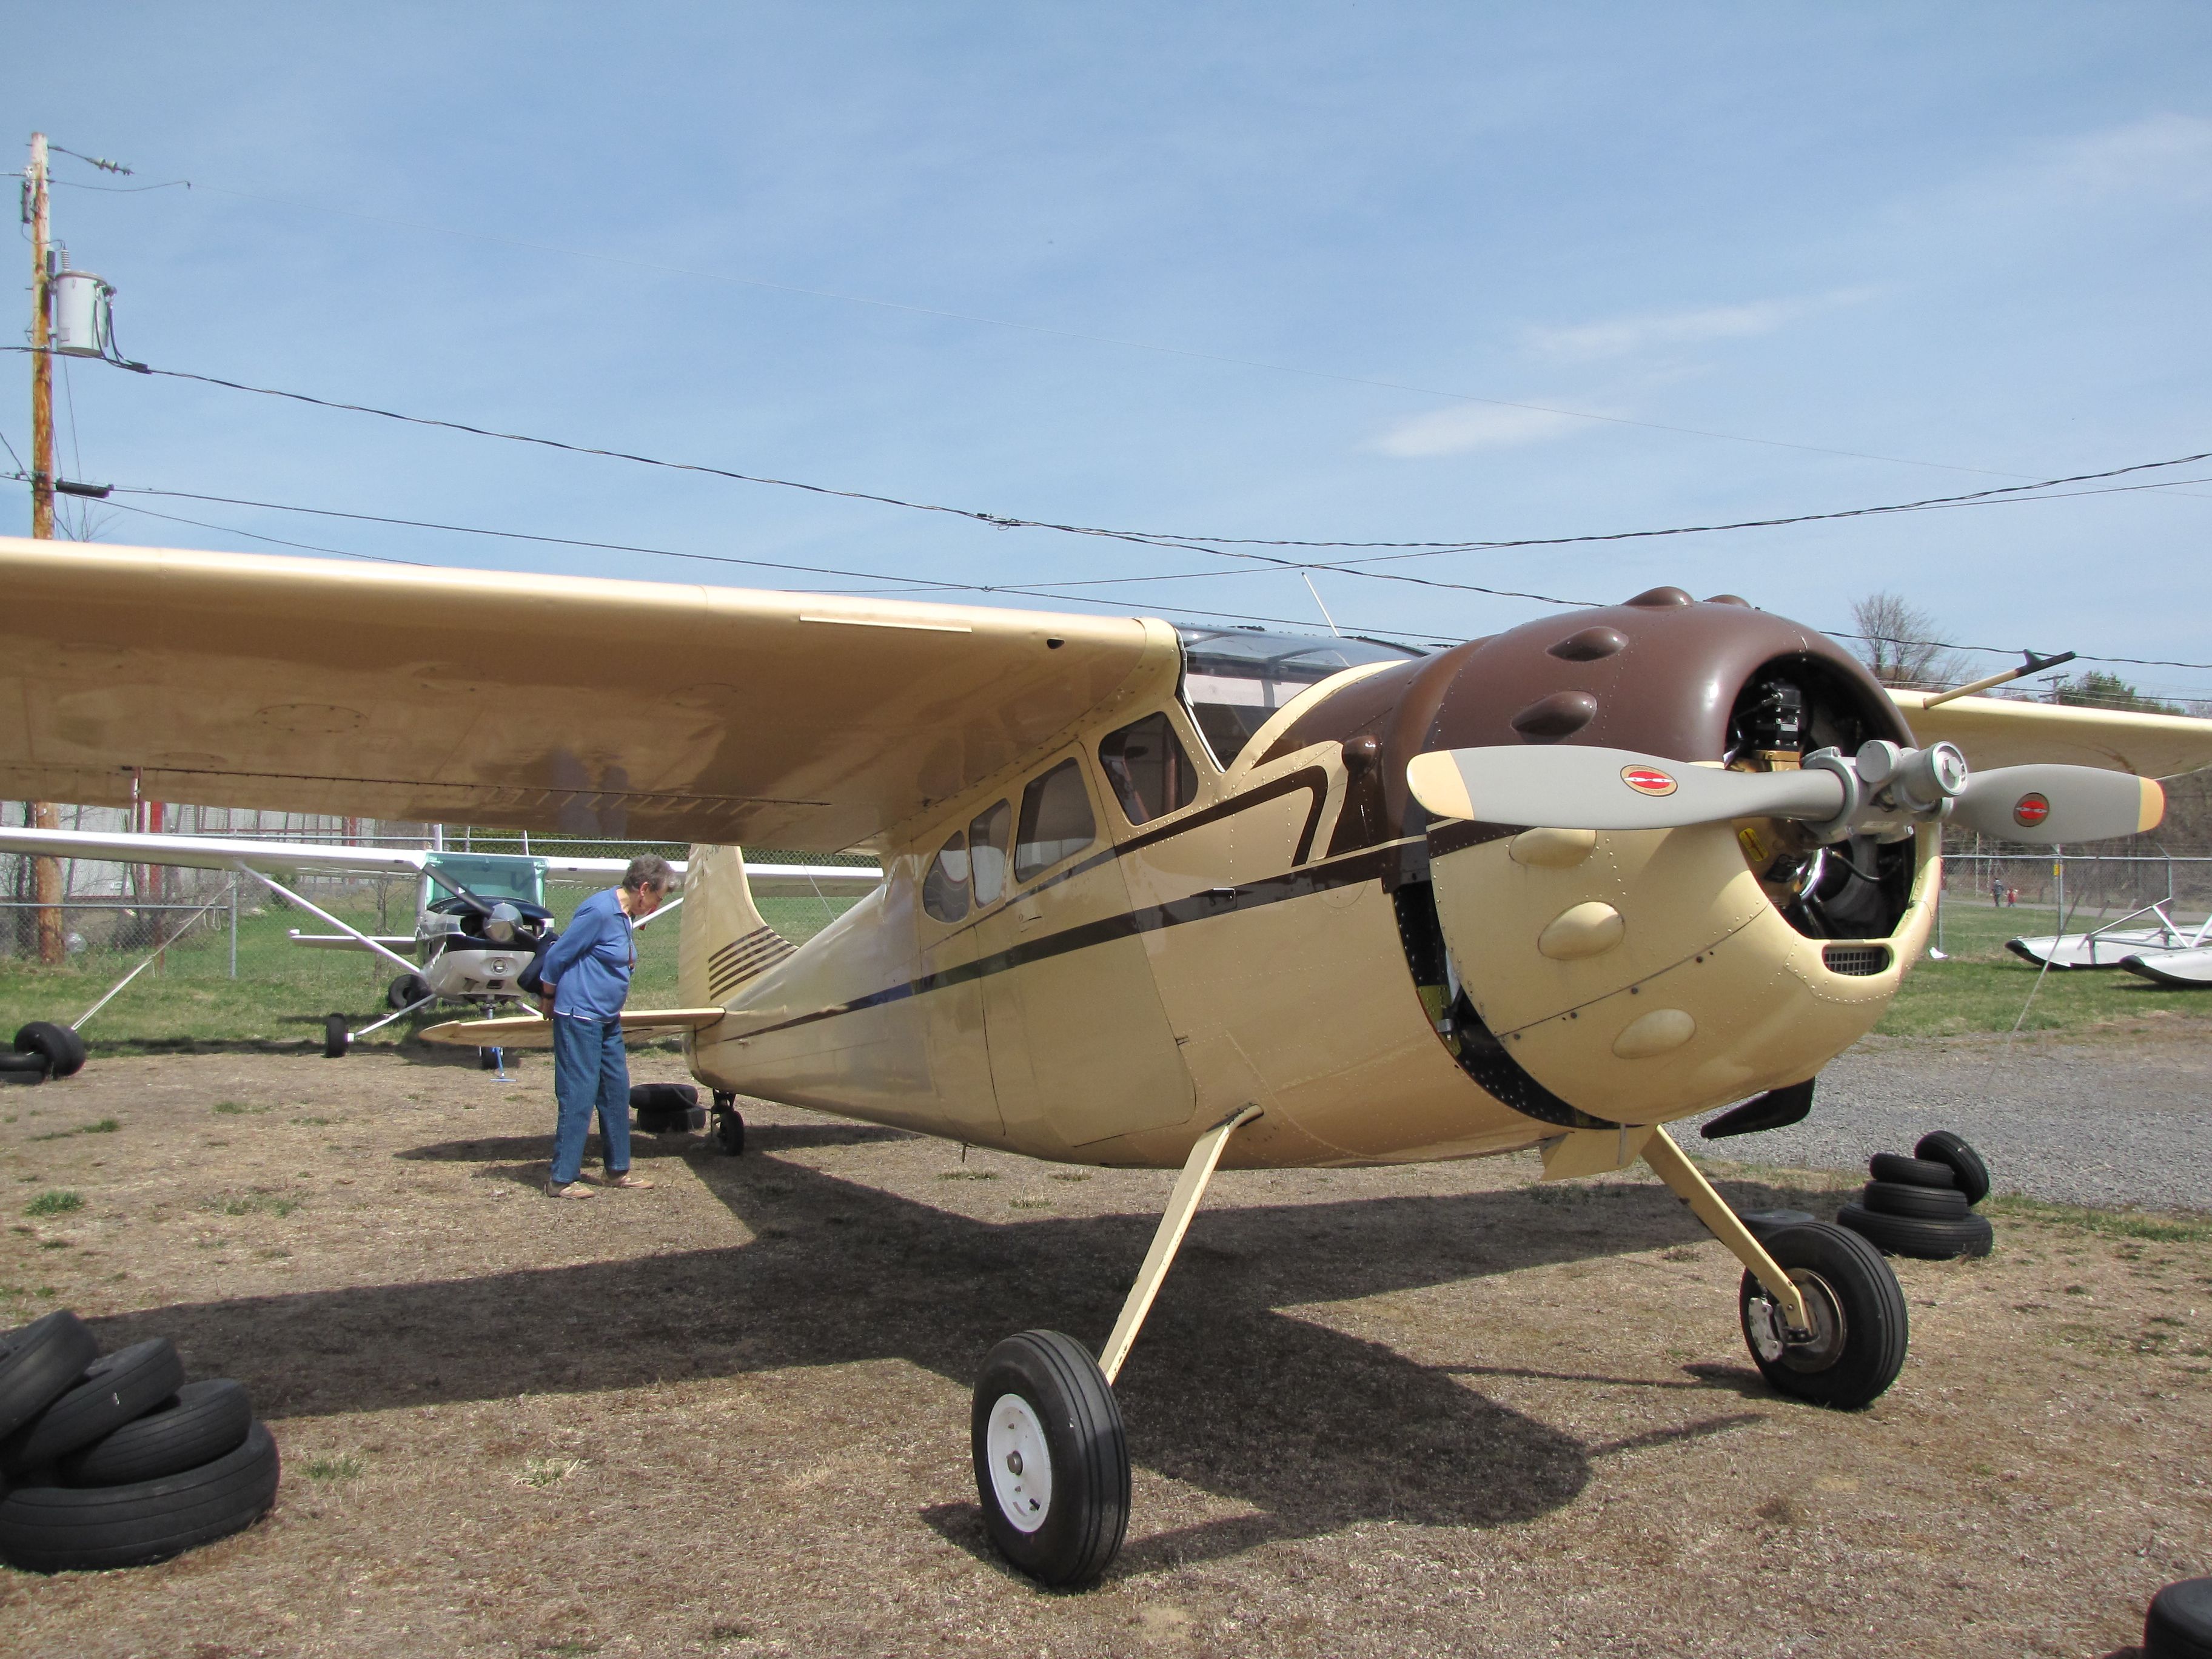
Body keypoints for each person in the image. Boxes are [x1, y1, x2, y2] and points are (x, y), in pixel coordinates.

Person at [536, 853, 677, 1199]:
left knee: (616, 1093)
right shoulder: (599, 912)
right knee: (579, 1094)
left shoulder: (625, 915)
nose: (658, 905)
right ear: (644, 889)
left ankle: (617, 1171)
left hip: (607, 1020)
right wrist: (549, 997)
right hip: (579, 1017)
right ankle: (561, 1179)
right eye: (658, 897)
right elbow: (557, 956)